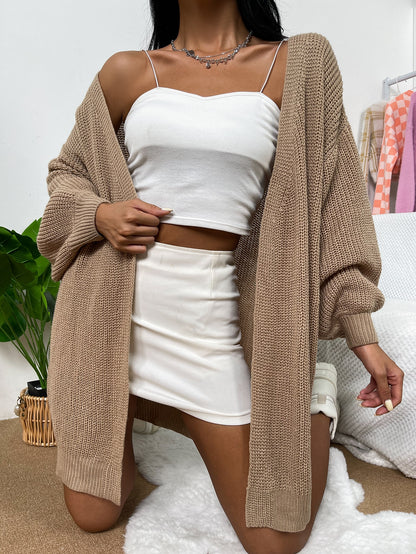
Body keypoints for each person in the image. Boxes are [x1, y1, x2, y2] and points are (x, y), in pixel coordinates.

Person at [37, 1, 404, 552]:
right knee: (93, 514)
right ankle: (129, 405)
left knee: (274, 542)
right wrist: (98, 214)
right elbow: (68, 172)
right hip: (108, 311)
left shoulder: (301, 64)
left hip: (211, 314)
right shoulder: (126, 70)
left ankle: (313, 403)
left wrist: (362, 336)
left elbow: (336, 210)